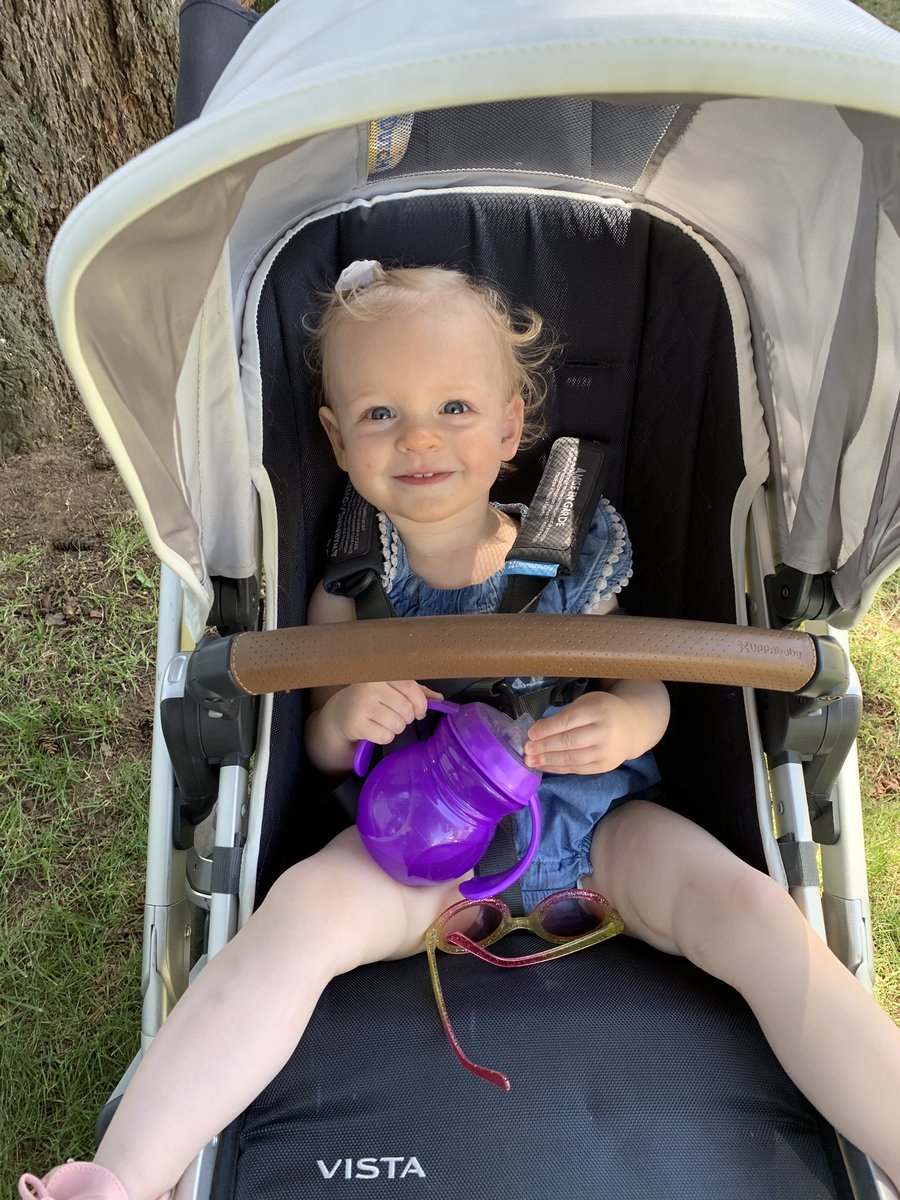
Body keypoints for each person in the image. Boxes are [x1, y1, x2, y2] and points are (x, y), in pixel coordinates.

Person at [20, 262, 900, 1200]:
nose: (420, 439)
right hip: (422, 844)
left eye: (452, 407)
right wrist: (346, 717)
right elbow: (317, 736)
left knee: (750, 912)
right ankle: (122, 1174)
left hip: (593, 828)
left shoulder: (573, 544)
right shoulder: (355, 577)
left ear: (512, 425)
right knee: (301, 920)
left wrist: (628, 720)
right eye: (380, 416)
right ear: (338, 437)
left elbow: (642, 676)